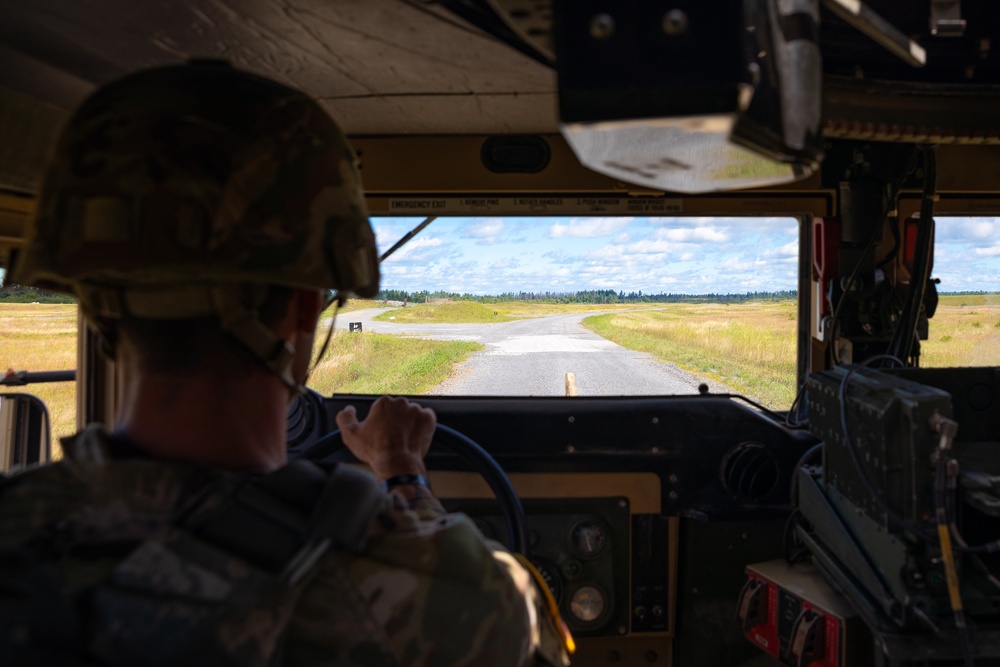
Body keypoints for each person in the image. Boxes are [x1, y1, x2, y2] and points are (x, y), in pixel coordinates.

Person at [0, 60, 570, 666]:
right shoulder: (430, 595)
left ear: (100, 309)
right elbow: (524, 627)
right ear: (306, 306)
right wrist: (404, 475)